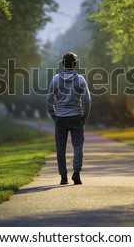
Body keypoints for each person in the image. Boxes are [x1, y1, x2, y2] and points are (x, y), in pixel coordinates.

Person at [46, 52, 91, 185]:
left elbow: (49, 99)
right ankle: (76, 173)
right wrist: (84, 117)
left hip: (60, 117)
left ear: (62, 63)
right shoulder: (80, 79)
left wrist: (54, 115)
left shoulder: (55, 79)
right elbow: (87, 100)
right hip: (77, 116)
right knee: (78, 146)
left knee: (60, 148)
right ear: (75, 64)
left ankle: (63, 177)